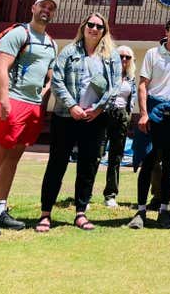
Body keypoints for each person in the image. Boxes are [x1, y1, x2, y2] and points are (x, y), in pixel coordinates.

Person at [0, 0, 59, 238]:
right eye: (43, 6)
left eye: (51, 8)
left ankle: (0, 210)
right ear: (33, 8)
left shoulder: (51, 43)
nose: (47, 11)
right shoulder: (19, 34)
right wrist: (4, 99)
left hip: (32, 106)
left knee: (13, 157)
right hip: (13, 101)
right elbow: (1, 67)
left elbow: (50, 73)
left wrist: (46, 90)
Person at [37, 12, 121, 232]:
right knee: (57, 163)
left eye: (99, 26)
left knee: (88, 165)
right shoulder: (69, 51)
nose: (94, 29)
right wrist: (72, 106)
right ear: (83, 27)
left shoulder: (111, 56)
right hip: (66, 116)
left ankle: (80, 212)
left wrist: (99, 108)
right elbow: (56, 80)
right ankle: (46, 213)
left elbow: (115, 85)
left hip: (95, 118)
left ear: (105, 31)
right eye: (90, 25)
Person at [127, 18, 170, 230]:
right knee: (148, 161)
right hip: (153, 112)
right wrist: (144, 114)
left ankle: (165, 211)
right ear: (166, 32)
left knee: (169, 164)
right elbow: (142, 86)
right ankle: (140, 212)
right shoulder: (152, 54)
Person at [101, 45, 137, 207]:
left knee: (116, 156)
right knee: (96, 154)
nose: (124, 59)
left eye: (127, 57)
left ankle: (110, 194)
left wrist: (128, 117)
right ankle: (84, 194)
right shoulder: (107, 73)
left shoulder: (131, 79)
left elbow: (132, 99)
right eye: (121, 56)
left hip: (121, 116)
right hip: (104, 114)